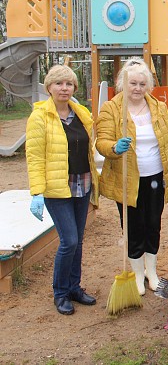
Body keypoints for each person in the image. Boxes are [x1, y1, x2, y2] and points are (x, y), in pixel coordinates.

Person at [95, 58, 168, 296]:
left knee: (153, 225)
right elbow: (101, 142)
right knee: (134, 227)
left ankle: (152, 272)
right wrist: (114, 147)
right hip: (128, 181)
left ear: (148, 85)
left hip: (155, 177)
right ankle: (137, 274)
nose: (137, 88)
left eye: (141, 84)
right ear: (123, 84)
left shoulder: (157, 107)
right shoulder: (111, 109)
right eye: (132, 83)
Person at [26, 65, 99, 315]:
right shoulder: (40, 117)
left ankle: (74, 288)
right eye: (59, 83)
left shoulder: (81, 113)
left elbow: (90, 146)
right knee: (68, 240)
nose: (64, 88)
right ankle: (60, 293)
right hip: (57, 188)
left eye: (68, 84)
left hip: (83, 183)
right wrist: (37, 191)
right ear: (49, 87)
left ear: (74, 88)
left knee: (78, 241)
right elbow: (34, 157)